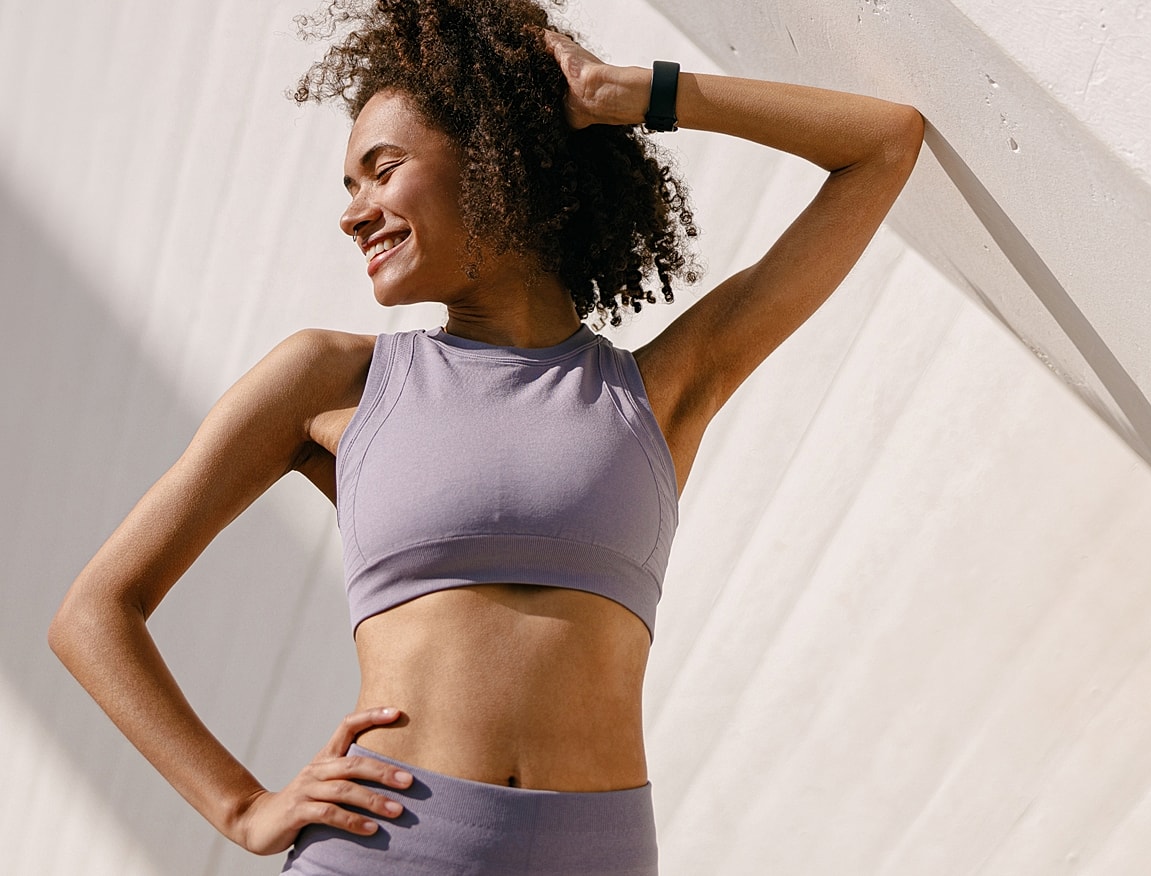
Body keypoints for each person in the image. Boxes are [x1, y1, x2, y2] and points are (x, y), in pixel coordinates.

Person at [47, 0, 923, 872]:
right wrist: (240, 806)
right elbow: (94, 613)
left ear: (492, 155)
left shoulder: (658, 389)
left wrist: (619, 92)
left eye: (380, 170)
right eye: (349, 187)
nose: (355, 213)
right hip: (387, 849)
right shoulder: (330, 381)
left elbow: (882, 144)